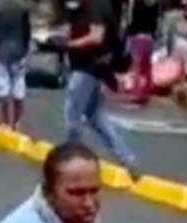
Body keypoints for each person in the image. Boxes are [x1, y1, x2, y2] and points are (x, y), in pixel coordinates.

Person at [60, 0, 141, 173]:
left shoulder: (98, 4)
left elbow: (97, 37)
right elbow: (72, 27)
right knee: (96, 117)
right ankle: (128, 159)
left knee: (72, 114)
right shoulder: (79, 6)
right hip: (84, 65)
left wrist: (68, 45)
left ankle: (72, 160)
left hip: (88, 66)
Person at [0, 0, 32, 129]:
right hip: (19, 50)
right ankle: (15, 122)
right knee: (18, 88)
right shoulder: (23, 6)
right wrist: (25, 49)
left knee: (3, 90)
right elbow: (27, 31)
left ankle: (6, 122)